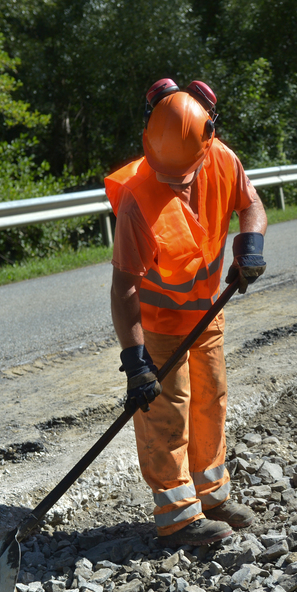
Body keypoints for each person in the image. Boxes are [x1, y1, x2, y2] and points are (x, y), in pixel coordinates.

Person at [104, 78, 268, 548]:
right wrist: (135, 362)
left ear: (207, 139)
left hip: (207, 314)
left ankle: (211, 495)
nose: (177, 185)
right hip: (157, 327)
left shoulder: (221, 157)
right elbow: (124, 288)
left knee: (210, 401)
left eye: (184, 175)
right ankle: (177, 517)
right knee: (166, 414)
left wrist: (250, 246)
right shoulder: (137, 199)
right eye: (169, 176)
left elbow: (251, 204)